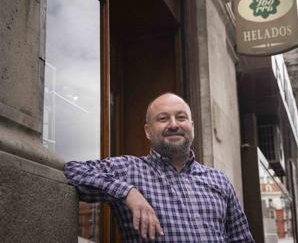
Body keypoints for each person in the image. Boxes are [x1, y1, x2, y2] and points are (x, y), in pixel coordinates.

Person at [64, 93, 254, 242]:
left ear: (192, 126)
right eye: (163, 119)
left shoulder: (218, 180)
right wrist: (128, 192)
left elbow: (241, 239)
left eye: (181, 117)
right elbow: (73, 170)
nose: (173, 125)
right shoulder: (128, 169)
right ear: (148, 131)